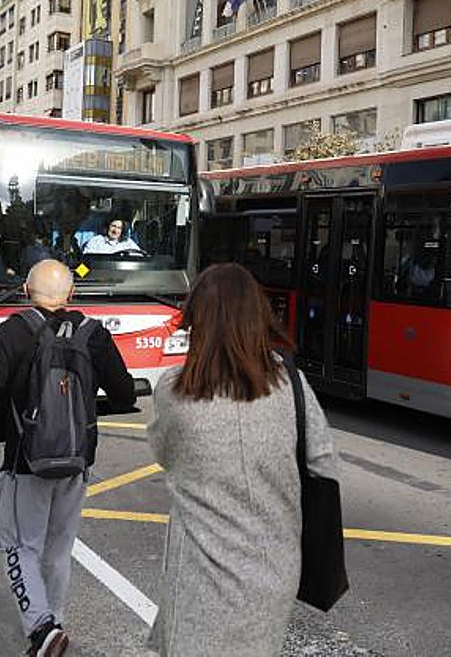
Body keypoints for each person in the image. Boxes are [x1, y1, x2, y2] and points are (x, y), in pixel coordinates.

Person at [147, 263, 340, 656]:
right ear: (258, 315)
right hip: (275, 570)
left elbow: (165, 454)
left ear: (197, 320)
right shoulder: (292, 386)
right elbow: (322, 465)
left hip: (199, 573)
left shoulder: (173, 390)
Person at [0, 260, 135, 657]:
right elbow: (124, 394)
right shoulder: (93, 334)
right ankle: (52, 621)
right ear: (72, 294)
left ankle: (41, 630)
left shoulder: (15, 332)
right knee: (58, 549)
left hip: (26, 463)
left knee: (21, 546)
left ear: (25, 289)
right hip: (77, 462)